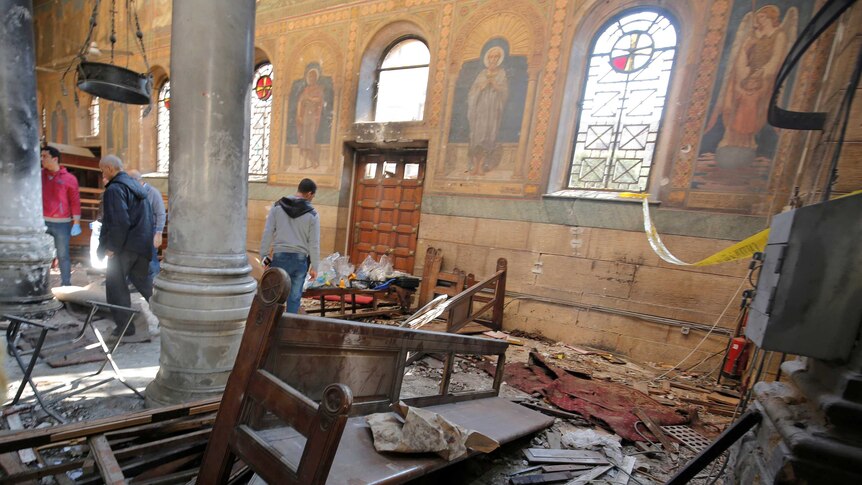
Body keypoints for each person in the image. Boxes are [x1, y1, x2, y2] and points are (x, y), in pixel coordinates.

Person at [97, 155, 153, 338]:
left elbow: (119, 221)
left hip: (123, 247)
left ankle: (125, 328)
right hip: (141, 245)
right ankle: (172, 318)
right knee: (145, 285)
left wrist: (112, 247)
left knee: (116, 288)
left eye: (102, 170)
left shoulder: (114, 189)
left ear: (110, 168)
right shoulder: (137, 187)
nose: (102, 174)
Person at [259, 178, 320, 314]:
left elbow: (268, 232)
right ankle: (288, 325)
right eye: (313, 196)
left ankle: (270, 327)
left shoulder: (277, 207)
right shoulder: (312, 215)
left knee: (274, 294)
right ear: (309, 194)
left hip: (279, 257)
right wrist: (315, 267)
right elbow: (314, 243)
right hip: (299, 260)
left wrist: (264, 257)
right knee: (294, 297)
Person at [41, 145, 82, 287]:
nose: (42, 159)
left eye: (45, 156)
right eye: (41, 156)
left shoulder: (69, 179)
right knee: (41, 255)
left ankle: (66, 284)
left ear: (55, 159)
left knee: (63, 255)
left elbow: (75, 202)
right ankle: (41, 284)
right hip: (42, 222)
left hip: (62, 224)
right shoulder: (39, 175)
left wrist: (76, 223)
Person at [467, 46, 509, 175]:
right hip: (480, 111)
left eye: (496, 56)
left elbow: (504, 92)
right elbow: (472, 93)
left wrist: (495, 85)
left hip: (493, 111)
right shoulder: (481, 74)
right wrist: (483, 86)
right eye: (491, 56)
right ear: (487, 58)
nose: (493, 59)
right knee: (477, 137)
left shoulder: (502, 73)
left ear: (499, 59)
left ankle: (482, 165)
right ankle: (475, 165)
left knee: (488, 138)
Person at [128, 170, 166, 283]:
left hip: (150, 229)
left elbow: (160, 213)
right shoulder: (132, 192)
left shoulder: (153, 192)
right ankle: (135, 282)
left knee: (151, 258)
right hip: (135, 230)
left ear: (136, 181)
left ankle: (155, 283)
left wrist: (158, 233)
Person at [296, 67, 324, 169]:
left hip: (313, 117)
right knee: (304, 140)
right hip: (305, 117)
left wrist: (310, 98)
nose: (311, 79)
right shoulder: (305, 90)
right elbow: (300, 102)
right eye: (310, 77)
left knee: (310, 139)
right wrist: (299, 115)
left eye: (313, 77)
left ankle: (313, 161)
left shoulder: (318, 89)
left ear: (316, 78)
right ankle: (303, 163)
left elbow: (319, 100)